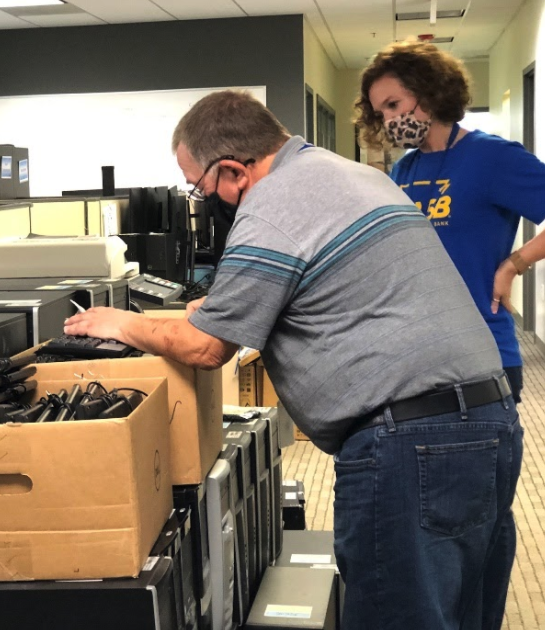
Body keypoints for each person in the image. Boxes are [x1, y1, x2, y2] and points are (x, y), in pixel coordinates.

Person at [64, 90, 522, 629]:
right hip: (489, 423)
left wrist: (121, 322)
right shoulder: (346, 174)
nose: (205, 200)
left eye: (201, 188)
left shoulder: (274, 204)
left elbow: (208, 348)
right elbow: (331, 280)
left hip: (409, 446)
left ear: (234, 170)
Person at [355, 40, 545, 403]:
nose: (390, 120)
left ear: (429, 93)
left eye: (394, 105)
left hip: (484, 352)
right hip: (419, 355)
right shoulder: (404, 170)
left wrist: (514, 265)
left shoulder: (491, 157)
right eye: (381, 113)